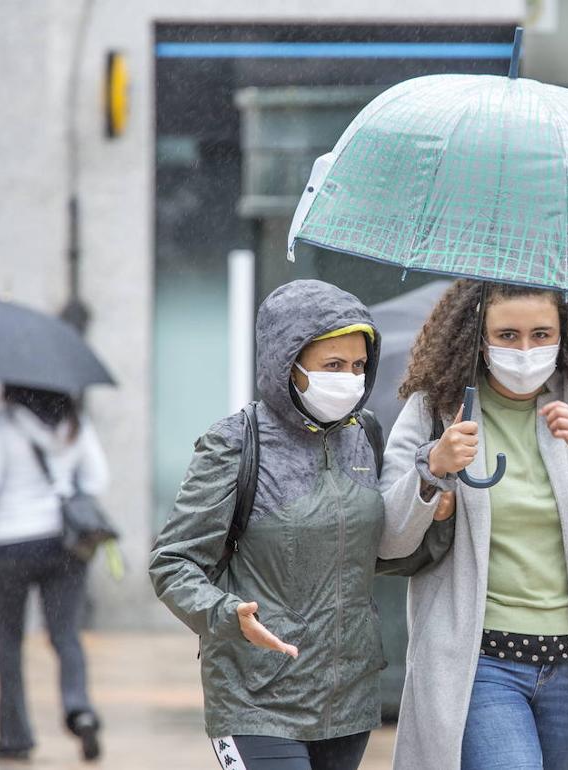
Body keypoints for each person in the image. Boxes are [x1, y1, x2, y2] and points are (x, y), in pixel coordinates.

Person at [379, 280, 568, 770]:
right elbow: (389, 538)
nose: (525, 350)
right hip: (480, 665)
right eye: (507, 335)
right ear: (477, 335)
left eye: (541, 333)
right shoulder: (435, 407)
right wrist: (432, 467)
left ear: (566, 333)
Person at [150, 279, 451, 770]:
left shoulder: (365, 435)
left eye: (358, 366)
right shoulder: (235, 444)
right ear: (286, 364)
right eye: (333, 365)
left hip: (347, 702)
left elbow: (379, 556)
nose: (350, 379)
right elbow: (172, 562)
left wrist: (434, 515)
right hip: (255, 699)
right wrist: (228, 614)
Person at [0, 384, 109, 762]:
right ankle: (81, 710)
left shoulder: (4, 424)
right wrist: (62, 486)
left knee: (9, 642)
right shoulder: (75, 422)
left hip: (9, 543)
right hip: (62, 543)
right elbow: (97, 479)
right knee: (66, 635)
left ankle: (15, 737)